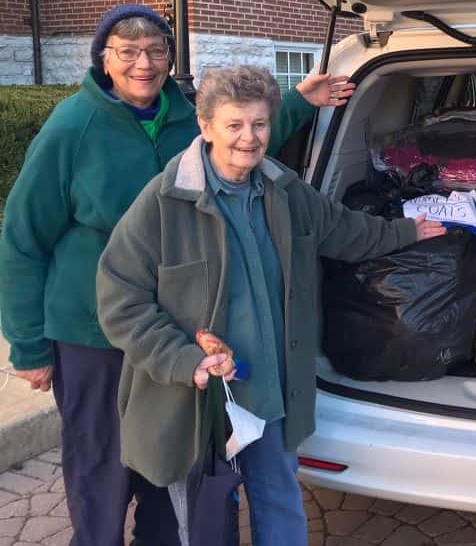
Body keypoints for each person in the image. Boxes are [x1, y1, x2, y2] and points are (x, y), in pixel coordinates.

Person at [0, 4, 354, 546]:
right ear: (103, 58)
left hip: (179, 332)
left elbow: (239, 134)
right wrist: (28, 347)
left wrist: (299, 102)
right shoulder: (72, 128)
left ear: (170, 59)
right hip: (92, 335)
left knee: (174, 466)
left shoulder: (187, 115)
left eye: (157, 50)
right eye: (128, 51)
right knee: (102, 469)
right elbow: (23, 239)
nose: (144, 63)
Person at [95, 66, 446, 545]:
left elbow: (344, 230)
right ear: (206, 126)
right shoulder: (163, 201)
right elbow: (119, 299)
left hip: (271, 387)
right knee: (196, 519)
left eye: (259, 124)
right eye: (234, 125)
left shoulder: (284, 189)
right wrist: (182, 359)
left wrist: (407, 231)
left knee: (279, 502)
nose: (249, 138)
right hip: (198, 395)